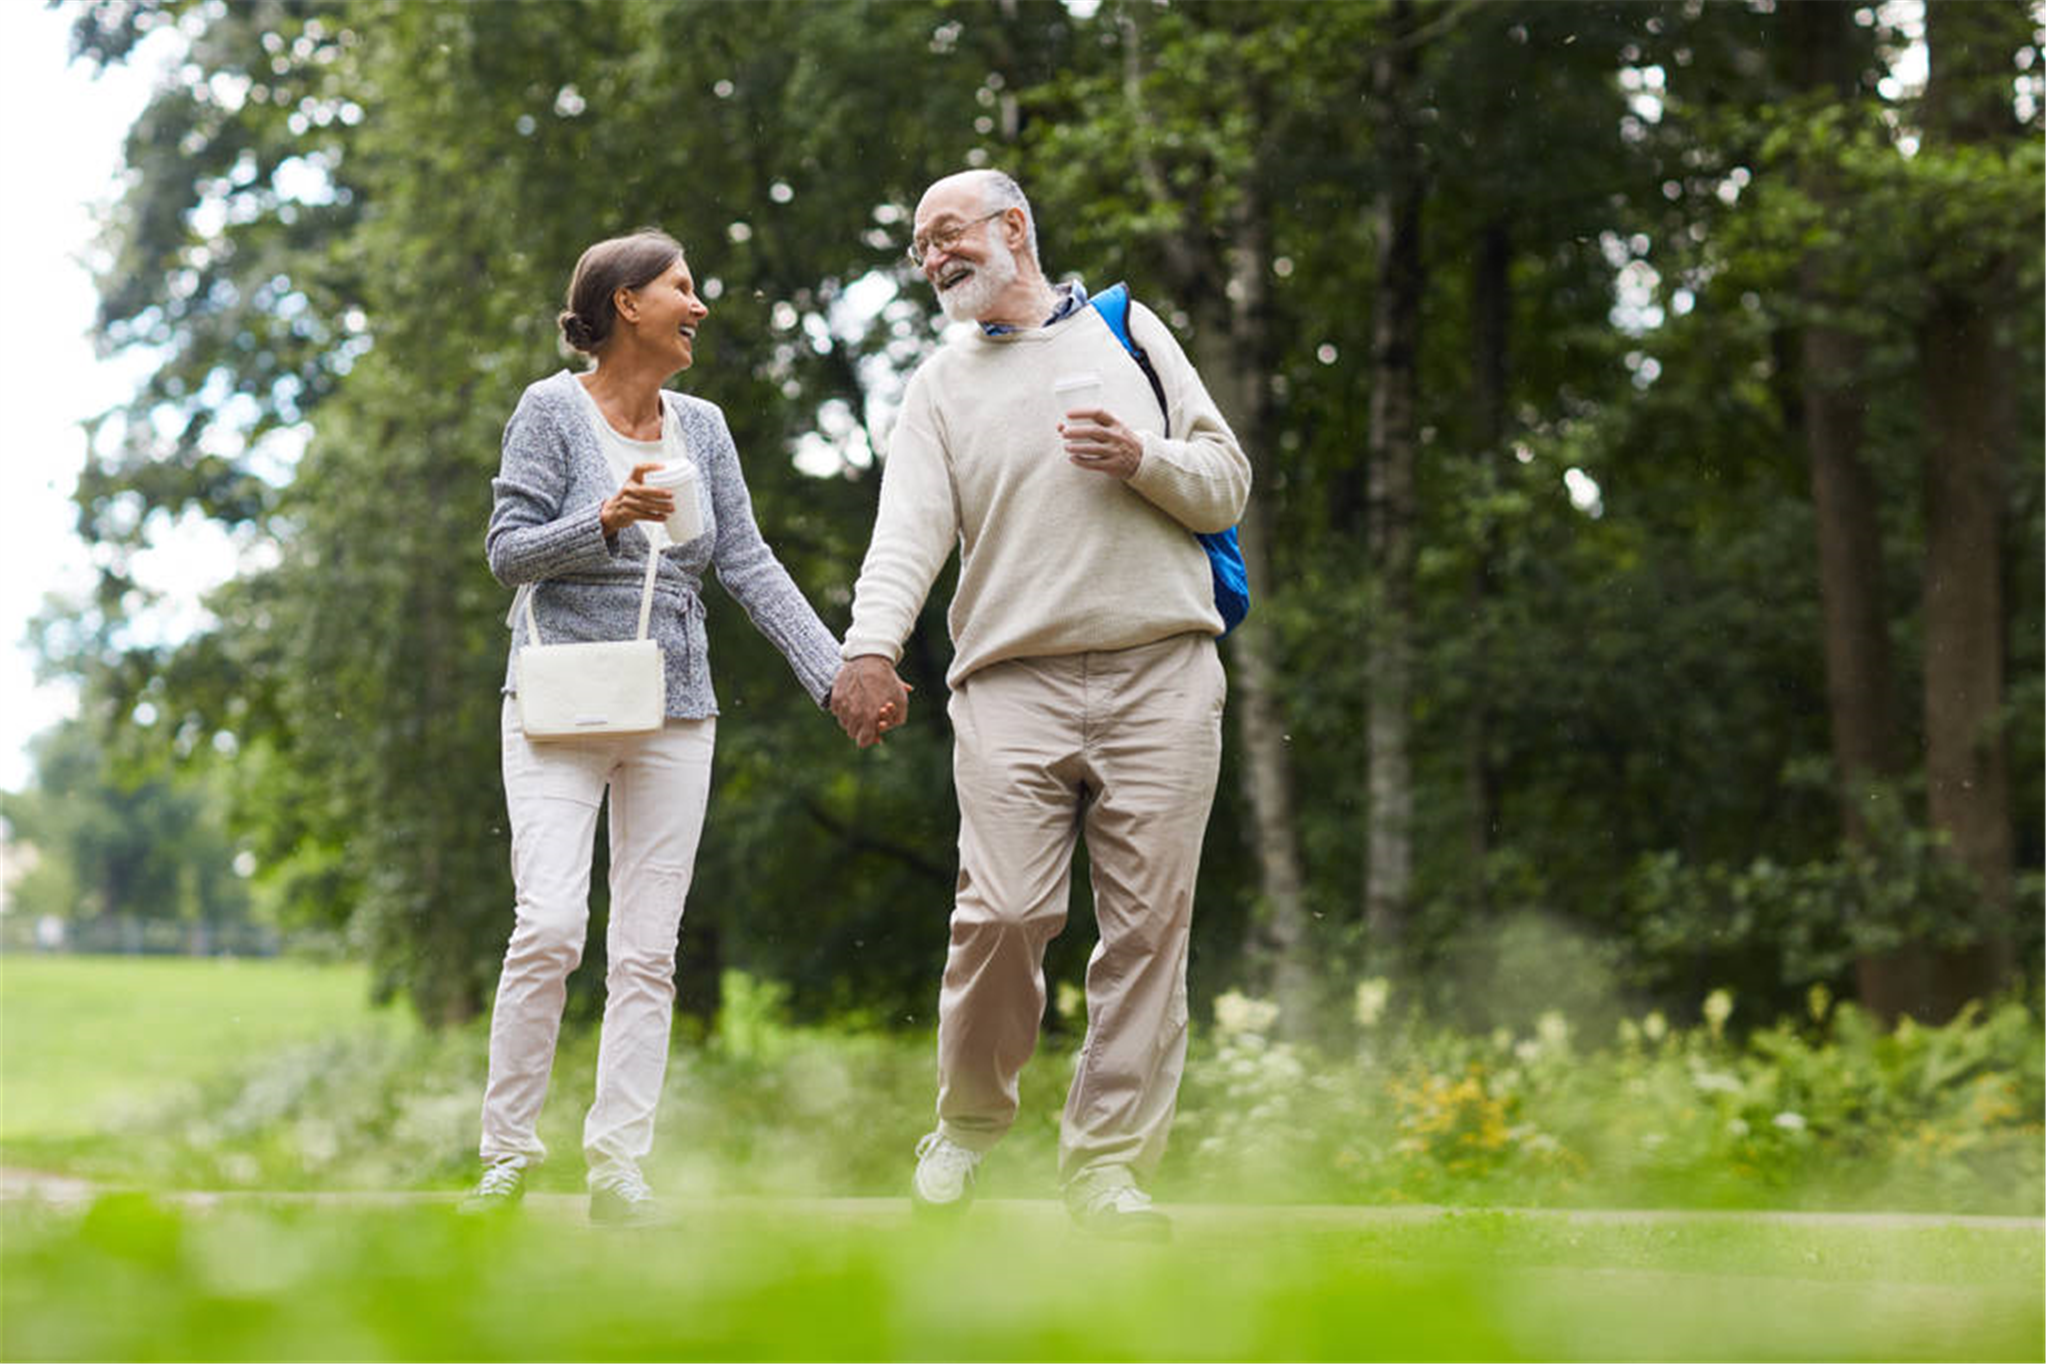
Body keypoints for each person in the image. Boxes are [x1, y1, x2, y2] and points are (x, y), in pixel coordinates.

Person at [830, 170, 1251, 1238]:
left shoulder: (1129, 331)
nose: (931, 258)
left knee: (1150, 929)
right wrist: (870, 649)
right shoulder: (937, 385)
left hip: (1163, 668)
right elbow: (907, 535)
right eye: (919, 245)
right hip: (1012, 680)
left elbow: (1224, 480)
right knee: (1004, 911)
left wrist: (1141, 457)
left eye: (946, 234)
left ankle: (1107, 1167)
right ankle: (967, 1128)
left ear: (1013, 227)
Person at [464, 228, 845, 1224]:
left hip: (676, 704)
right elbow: (506, 552)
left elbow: (748, 562)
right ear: (628, 303)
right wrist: (605, 516)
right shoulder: (550, 410)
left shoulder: (704, 426)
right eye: (684, 287)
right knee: (548, 925)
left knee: (647, 948)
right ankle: (507, 1152)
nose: (700, 305)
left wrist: (836, 674)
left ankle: (617, 1163)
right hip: (558, 697)